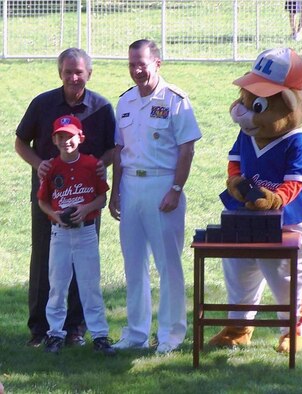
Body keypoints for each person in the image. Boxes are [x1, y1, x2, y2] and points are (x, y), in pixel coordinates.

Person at [15, 47, 116, 348]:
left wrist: (103, 163)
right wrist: (39, 163)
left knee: (84, 263)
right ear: (59, 73)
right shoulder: (43, 104)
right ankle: (41, 329)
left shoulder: (100, 107)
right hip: (49, 195)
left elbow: (113, 148)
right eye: (68, 72)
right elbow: (20, 142)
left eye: (79, 72)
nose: (73, 77)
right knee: (45, 259)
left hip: (86, 197)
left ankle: (75, 328)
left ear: (89, 74)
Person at [109, 39, 202, 354]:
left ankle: (170, 336)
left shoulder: (175, 100)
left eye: (142, 64)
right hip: (131, 186)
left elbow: (187, 148)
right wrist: (115, 192)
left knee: (168, 265)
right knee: (133, 264)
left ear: (157, 63)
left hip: (163, 185)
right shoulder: (125, 101)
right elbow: (121, 150)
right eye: (132, 64)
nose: (137, 70)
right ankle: (135, 333)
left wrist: (176, 189)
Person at [37, 115, 115, 355]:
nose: (65, 141)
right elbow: (42, 201)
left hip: (86, 232)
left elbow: (101, 197)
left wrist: (86, 209)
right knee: (57, 286)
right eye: (60, 137)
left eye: (70, 136)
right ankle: (55, 334)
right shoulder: (52, 167)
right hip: (59, 233)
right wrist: (55, 214)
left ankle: (100, 336)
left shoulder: (92, 165)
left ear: (80, 138)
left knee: (90, 285)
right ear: (55, 140)